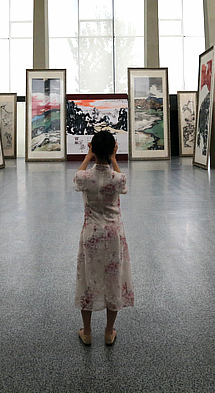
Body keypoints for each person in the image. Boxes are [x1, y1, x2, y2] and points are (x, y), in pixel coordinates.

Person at [74, 130, 134, 346]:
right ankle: (109, 332)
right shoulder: (118, 178)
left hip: (91, 233)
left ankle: (87, 332)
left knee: (88, 280)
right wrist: (114, 159)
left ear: (92, 149)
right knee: (113, 279)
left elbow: (77, 178)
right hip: (113, 235)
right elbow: (124, 187)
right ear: (112, 150)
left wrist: (87, 156)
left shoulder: (84, 178)